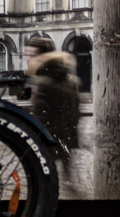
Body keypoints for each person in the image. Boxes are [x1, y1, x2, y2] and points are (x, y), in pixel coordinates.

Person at [26, 48, 80, 183]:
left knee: (47, 158)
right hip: (66, 128)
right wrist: (73, 124)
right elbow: (75, 107)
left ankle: (49, 181)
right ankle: (67, 178)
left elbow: (39, 108)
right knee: (65, 156)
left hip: (49, 128)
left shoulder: (42, 82)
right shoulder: (72, 81)